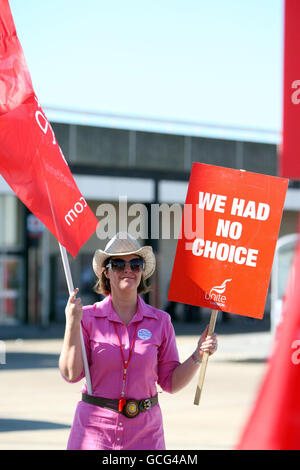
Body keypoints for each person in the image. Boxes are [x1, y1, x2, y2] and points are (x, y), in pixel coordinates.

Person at [59, 232, 218, 450]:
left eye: (135, 263)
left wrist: (198, 356)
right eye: (118, 264)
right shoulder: (86, 317)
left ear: (142, 271)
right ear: (106, 271)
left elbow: (170, 382)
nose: (128, 269)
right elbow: (70, 374)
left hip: (146, 435)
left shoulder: (161, 321)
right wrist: (71, 324)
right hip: (94, 433)